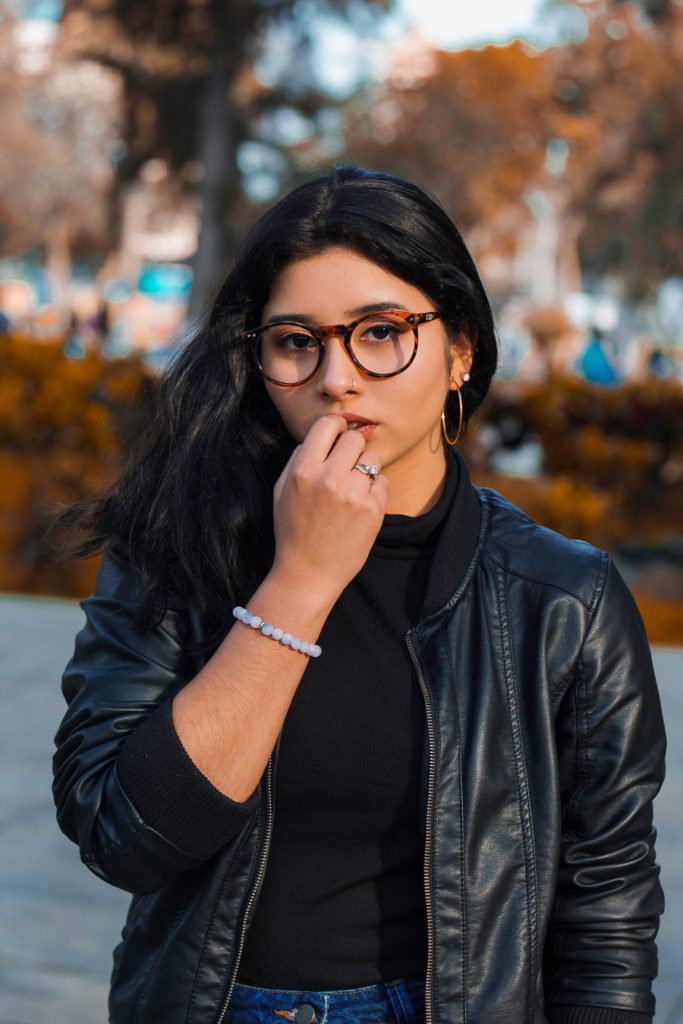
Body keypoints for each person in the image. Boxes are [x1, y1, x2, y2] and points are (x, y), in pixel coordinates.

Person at [52, 165, 666, 1024]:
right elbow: (125, 838)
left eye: (381, 332)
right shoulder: (175, 546)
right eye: (296, 341)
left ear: (459, 350)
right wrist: (298, 582)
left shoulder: (562, 599)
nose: (336, 376)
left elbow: (606, 909)